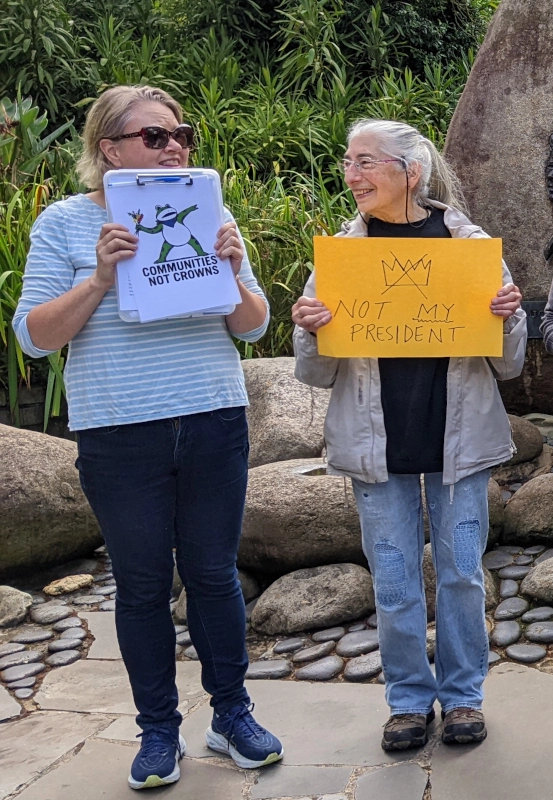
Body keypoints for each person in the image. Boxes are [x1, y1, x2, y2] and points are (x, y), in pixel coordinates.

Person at [13, 85, 283, 790]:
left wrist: (233, 272)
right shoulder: (65, 223)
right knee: (140, 585)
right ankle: (158, 730)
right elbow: (35, 336)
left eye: (182, 135)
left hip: (212, 417)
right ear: (109, 149)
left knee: (214, 575)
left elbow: (253, 324)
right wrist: (101, 278)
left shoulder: (210, 209)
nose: (175, 148)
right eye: (156, 136)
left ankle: (232, 715)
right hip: (119, 430)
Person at [292, 119, 526, 751]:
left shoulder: (471, 249)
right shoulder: (341, 257)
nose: (352, 174)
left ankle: (463, 696)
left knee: (462, 575)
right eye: (348, 162)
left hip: (460, 444)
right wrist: (309, 328)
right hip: (377, 448)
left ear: (410, 172)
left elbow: (509, 365)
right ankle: (408, 701)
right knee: (394, 582)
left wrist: (508, 319)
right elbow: (315, 373)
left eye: (365, 161)